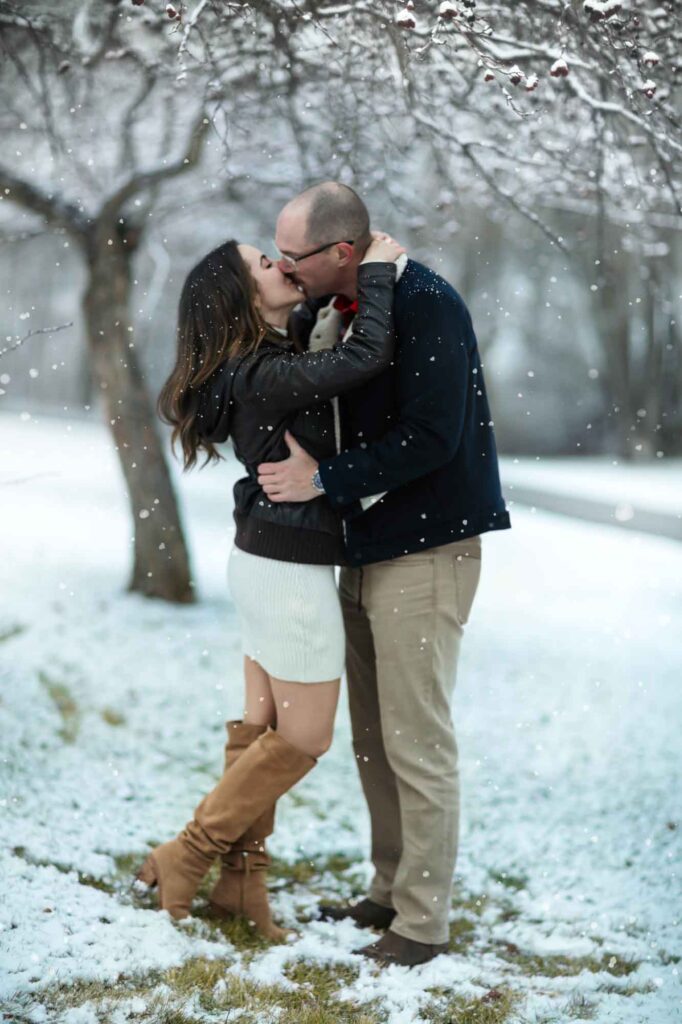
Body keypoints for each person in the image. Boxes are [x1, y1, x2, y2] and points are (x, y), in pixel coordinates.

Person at [257, 182, 511, 966]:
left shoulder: (427, 303)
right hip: (364, 546)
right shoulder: (345, 306)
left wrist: (324, 481)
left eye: (293, 256)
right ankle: (389, 888)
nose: (285, 268)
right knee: (374, 737)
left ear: (340, 251)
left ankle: (423, 925)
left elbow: (434, 435)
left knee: (417, 741)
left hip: (426, 549)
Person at [143, 231, 405, 937]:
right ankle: (188, 852)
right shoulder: (259, 372)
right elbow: (363, 356)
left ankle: (240, 888)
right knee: (306, 739)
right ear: (242, 296)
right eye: (265, 263)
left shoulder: (259, 361)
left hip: (266, 560)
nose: (280, 265)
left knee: (261, 731)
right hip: (285, 572)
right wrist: (376, 275)